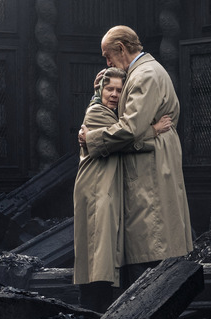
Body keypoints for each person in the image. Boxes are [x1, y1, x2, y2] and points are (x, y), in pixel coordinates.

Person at [79, 25, 193, 289]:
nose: (107, 62)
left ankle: (148, 302)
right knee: (152, 233)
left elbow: (130, 128)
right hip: (153, 156)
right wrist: (101, 88)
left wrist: (91, 139)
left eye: (108, 56)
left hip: (150, 163)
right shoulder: (145, 71)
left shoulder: (144, 75)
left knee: (149, 234)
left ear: (121, 49)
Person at [73, 67, 172, 312]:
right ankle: (92, 308)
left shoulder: (111, 113)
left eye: (119, 90)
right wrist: (153, 130)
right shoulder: (97, 112)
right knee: (98, 248)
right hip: (96, 188)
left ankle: (99, 307)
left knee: (103, 248)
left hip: (105, 187)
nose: (115, 94)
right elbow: (124, 138)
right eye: (109, 89)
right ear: (100, 90)